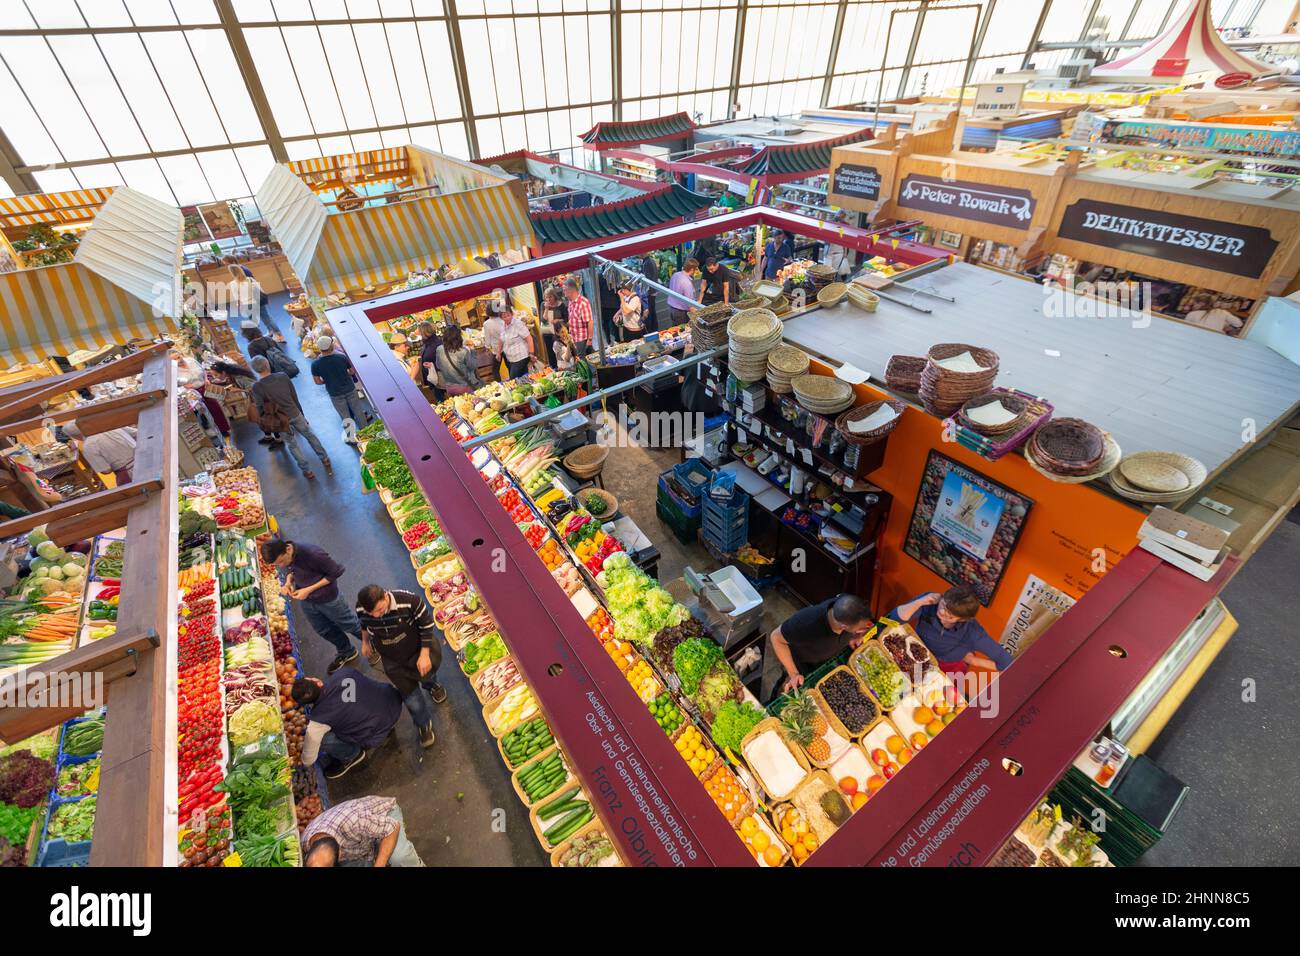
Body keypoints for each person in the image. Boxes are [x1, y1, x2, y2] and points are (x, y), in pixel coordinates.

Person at [356, 584, 446, 750]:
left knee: (428, 675)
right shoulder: (362, 609)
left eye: (380, 609)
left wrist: (425, 654)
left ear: (385, 596)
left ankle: (432, 685)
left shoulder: (410, 601)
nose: (376, 615)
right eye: (372, 613)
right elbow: (364, 624)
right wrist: (365, 642)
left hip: (417, 651)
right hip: (392, 660)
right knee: (411, 697)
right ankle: (423, 724)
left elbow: (426, 625)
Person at [262, 537, 362, 673]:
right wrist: (288, 582)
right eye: (277, 564)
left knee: (349, 624)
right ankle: (347, 651)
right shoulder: (286, 556)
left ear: (287, 549)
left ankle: (376, 644)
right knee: (324, 629)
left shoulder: (313, 553)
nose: (281, 566)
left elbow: (336, 572)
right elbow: (293, 571)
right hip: (307, 601)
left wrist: (308, 590)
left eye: (281, 561)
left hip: (329, 599)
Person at [293, 669, 403, 778]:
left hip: (376, 731)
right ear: (318, 682)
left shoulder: (318, 721)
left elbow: (309, 760)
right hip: (393, 702)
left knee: (323, 739)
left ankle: (352, 755)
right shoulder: (343, 673)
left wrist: (300, 761)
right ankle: (386, 725)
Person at [765, 594, 874, 698]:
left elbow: (863, 625)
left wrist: (858, 635)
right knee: (791, 687)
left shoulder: (850, 606)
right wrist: (793, 674)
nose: (865, 628)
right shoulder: (805, 623)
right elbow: (776, 637)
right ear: (843, 626)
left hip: (826, 658)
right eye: (860, 629)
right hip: (804, 662)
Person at [888, 586, 1012, 673]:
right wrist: (920, 602)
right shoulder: (930, 600)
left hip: (943, 666)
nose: (941, 612)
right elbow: (894, 619)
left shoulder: (974, 634)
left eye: (950, 616)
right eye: (942, 605)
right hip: (913, 648)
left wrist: (973, 661)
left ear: (962, 619)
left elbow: (1006, 663)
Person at [249, 356, 332, 479]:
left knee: (292, 445)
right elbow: (294, 396)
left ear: (255, 370)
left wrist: (266, 419)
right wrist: (301, 413)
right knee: (310, 435)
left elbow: (260, 406)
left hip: (279, 420)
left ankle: (307, 470)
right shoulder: (282, 376)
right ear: (267, 364)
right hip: (294, 412)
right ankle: (324, 459)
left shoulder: (257, 387)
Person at [301, 795, 424, 867]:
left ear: (340, 853)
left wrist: (379, 864)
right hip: (362, 839)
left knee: (399, 857)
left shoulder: (353, 820)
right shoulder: (305, 841)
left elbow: (392, 827)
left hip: (385, 817)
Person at [310, 336, 371, 431]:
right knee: (358, 411)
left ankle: (352, 437)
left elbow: (317, 382)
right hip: (350, 389)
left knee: (345, 416)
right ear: (331, 346)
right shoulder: (341, 357)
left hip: (334, 393)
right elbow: (352, 371)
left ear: (319, 348)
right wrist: (345, 373)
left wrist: (327, 379)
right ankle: (367, 433)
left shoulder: (315, 364)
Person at [62, 422, 136, 485]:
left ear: (75, 436)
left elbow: (106, 470)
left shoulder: (88, 445)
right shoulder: (109, 426)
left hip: (130, 474)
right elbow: (137, 433)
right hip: (145, 459)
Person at [227, 264, 283, 340]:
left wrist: (239, 306)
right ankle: (279, 334)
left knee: (253, 322)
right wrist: (266, 298)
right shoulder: (250, 279)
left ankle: (259, 337)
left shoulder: (233, 284)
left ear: (232, 273)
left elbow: (237, 297)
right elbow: (260, 290)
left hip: (247, 305)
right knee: (267, 318)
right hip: (258, 302)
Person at [434, 324, 480, 395]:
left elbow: (438, 366)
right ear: (459, 337)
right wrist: (472, 350)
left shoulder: (439, 349)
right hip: (465, 387)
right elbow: (473, 366)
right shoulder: (463, 351)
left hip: (450, 387)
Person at [499, 309, 535, 380]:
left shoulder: (518, 324)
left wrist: (531, 353)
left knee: (513, 379)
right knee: (523, 378)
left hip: (521, 356)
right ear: (501, 318)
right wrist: (498, 353)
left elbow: (529, 338)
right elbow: (501, 339)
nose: (507, 318)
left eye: (508, 315)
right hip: (511, 358)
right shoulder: (503, 325)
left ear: (512, 314)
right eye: (504, 316)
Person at [562, 277, 593, 357]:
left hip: (582, 338)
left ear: (571, 290)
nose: (563, 292)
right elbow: (573, 319)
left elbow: (590, 321)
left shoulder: (583, 302)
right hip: (574, 337)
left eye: (565, 289)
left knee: (583, 361)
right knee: (579, 360)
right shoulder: (570, 302)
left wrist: (589, 339)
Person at [415, 320, 444, 401]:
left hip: (438, 380)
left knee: (442, 399)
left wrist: (432, 365)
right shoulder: (428, 343)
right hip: (433, 379)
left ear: (424, 333)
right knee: (438, 397)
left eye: (420, 332)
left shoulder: (437, 344)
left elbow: (443, 362)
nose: (419, 334)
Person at [539, 287, 567, 366]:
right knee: (550, 352)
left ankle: (563, 366)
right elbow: (543, 320)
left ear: (554, 296)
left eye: (550, 297)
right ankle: (554, 367)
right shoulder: (543, 305)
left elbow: (566, 319)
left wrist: (557, 320)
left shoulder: (561, 305)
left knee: (561, 351)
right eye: (546, 297)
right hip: (548, 332)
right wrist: (546, 308)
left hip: (559, 332)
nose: (548, 299)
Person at [668, 258, 699, 326]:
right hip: (681, 313)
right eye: (696, 269)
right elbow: (690, 304)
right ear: (691, 270)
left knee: (675, 330)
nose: (697, 271)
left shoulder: (675, 275)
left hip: (672, 309)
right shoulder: (687, 283)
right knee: (683, 332)